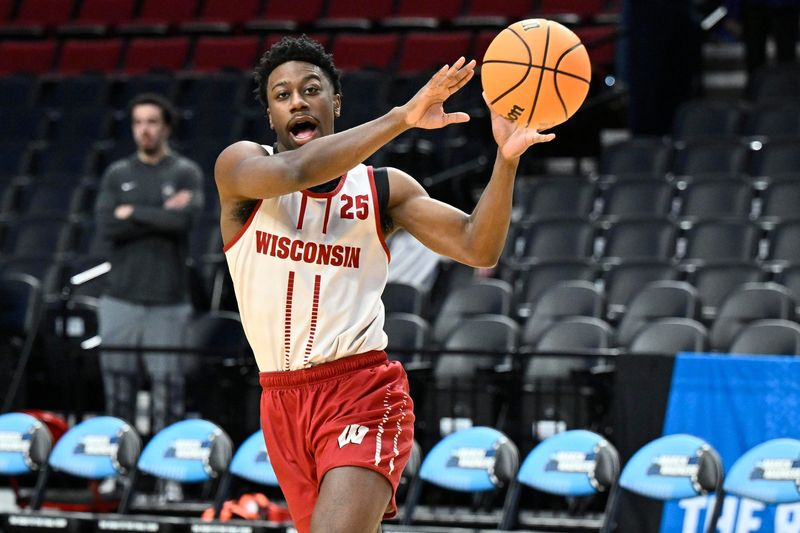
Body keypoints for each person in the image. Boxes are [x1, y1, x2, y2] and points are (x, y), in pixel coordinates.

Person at [215, 35, 554, 533]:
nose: (297, 102)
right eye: (281, 95)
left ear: (335, 102)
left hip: (361, 391)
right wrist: (403, 116)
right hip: (282, 399)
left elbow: (477, 246)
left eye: (311, 89)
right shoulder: (241, 168)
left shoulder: (382, 188)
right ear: (270, 116)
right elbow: (298, 170)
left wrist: (506, 160)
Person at [95, 93, 204, 435]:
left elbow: (183, 222)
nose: (145, 129)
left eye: (152, 122)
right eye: (138, 122)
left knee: (168, 392)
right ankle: (120, 473)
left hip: (168, 301)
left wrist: (133, 212)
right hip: (119, 299)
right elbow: (107, 226)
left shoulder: (185, 172)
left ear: (166, 127)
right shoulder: (117, 173)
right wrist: (161, 212)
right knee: (118, 392)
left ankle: (166, 480)